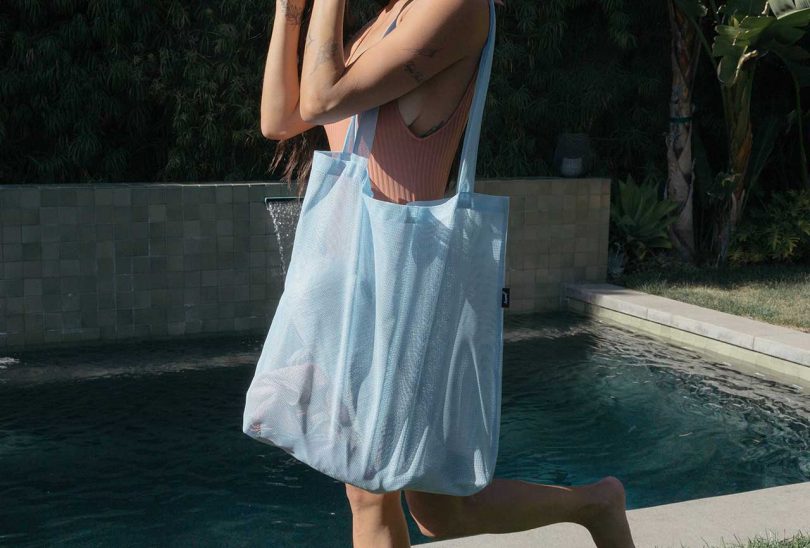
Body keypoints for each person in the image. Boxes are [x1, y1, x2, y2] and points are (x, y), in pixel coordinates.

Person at [258, 0, 637, 546]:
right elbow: (280, 119)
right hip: (349, 282)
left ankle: (597, 504)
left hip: (406, 284)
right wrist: (290, 11)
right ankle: (597, 504)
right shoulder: (385, 21)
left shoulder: (455, 9)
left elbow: (321, 96)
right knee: (419, 504)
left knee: (386, 491)